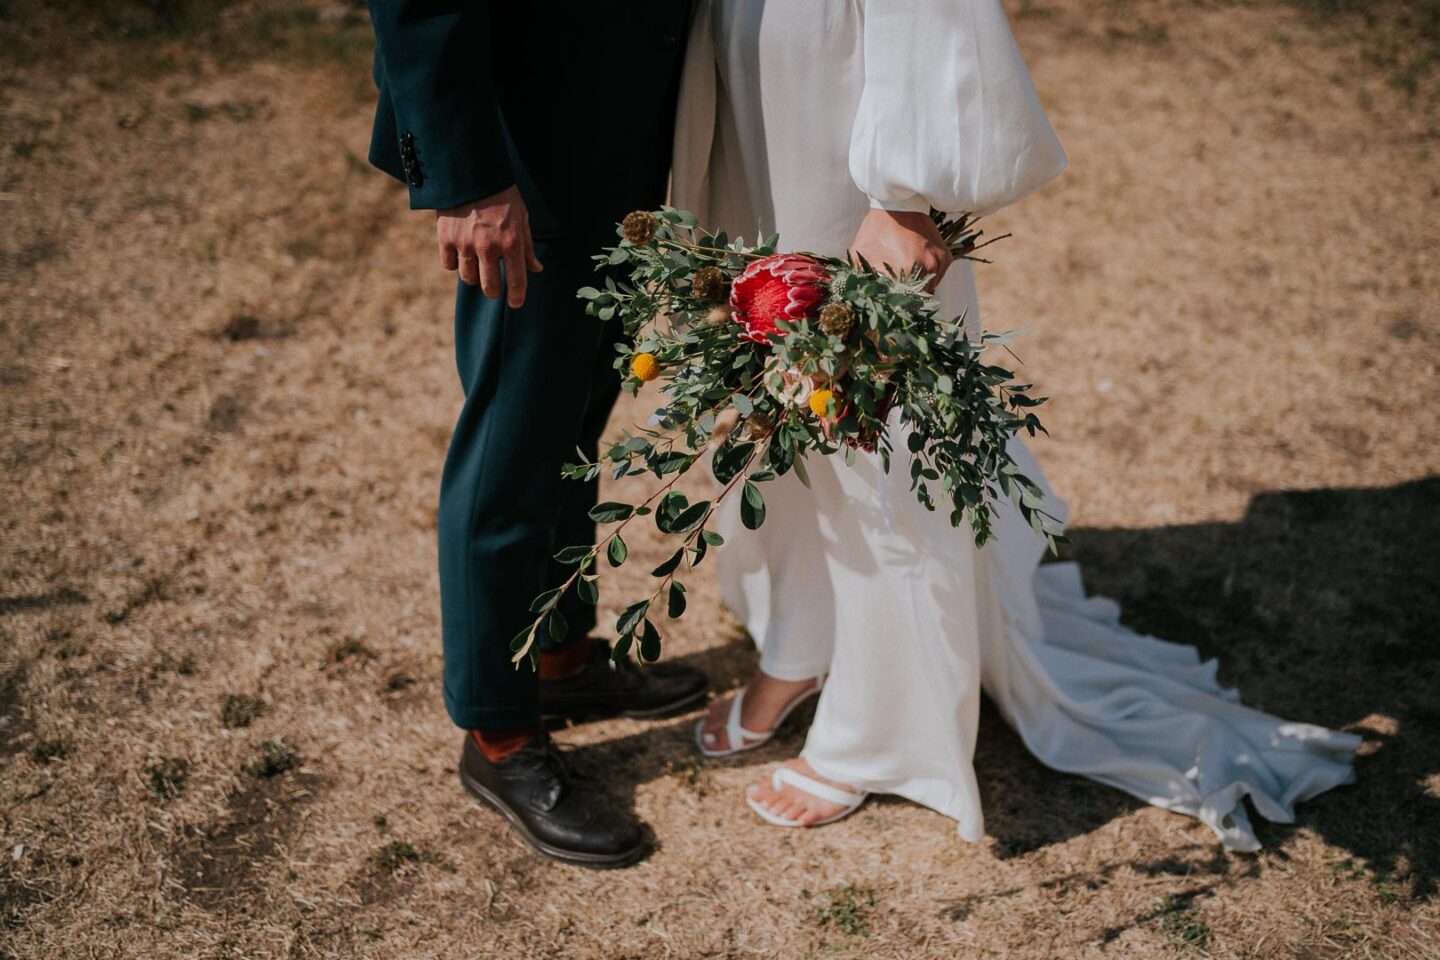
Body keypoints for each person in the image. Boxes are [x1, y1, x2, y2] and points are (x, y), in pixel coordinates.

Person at [674, 0, 1362, 851]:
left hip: (840, 86)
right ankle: (803, 641)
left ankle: (877, 724)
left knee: (872, 424)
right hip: (751, 64)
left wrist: (904, 188)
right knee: (775, 392)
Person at [366, 0, 708, 868]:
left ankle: (558, 658)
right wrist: (470, 177)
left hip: (622, 127)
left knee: (576, 421)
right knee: (512, 448)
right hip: (524, 149)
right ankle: (499, 735)